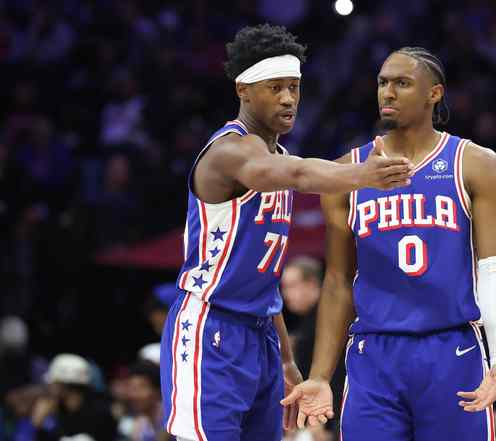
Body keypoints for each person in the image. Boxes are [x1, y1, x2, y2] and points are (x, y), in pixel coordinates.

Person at [160, 24, 413, 441]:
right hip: (211, 327)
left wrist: (286, 359)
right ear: (243, 90)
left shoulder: (278, 154)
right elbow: (297, 174)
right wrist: (362, 175)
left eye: (294, 87)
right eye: (275, 88)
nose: (288, 99)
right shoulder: (230, 151)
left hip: (260, 333)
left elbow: (264, 277)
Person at [282, 47, 496, 440]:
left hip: (451, 347)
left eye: (402, 83)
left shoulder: (475, 164)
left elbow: (493, 268)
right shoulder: (345, 173)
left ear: (434, 94)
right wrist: (320, 375)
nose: (387, 92)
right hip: (374, 353)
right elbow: (338, 281)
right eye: (382, 82)